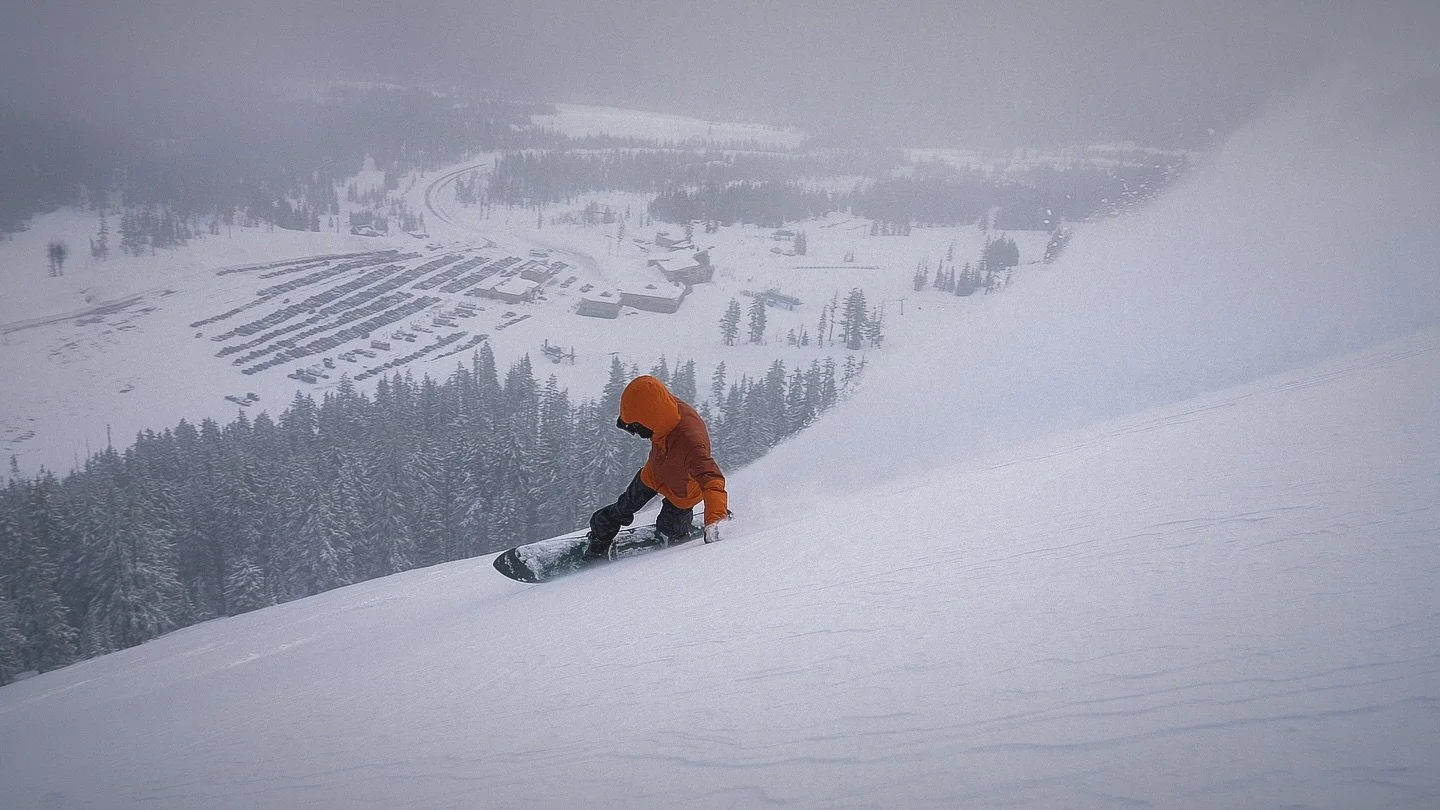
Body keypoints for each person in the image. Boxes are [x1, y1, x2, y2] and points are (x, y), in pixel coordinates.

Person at [585, 375, 729, 560]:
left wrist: (715, 522)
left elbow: (712, 481)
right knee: (622, 508)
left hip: (682, 491)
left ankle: (680, 537)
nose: (635, 434)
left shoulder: (690, 441)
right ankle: (599, 542)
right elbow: (647, 399)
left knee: (669, 528)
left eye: (635, 428)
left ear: (651, 420)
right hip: (654, 473)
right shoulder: (664, 411)